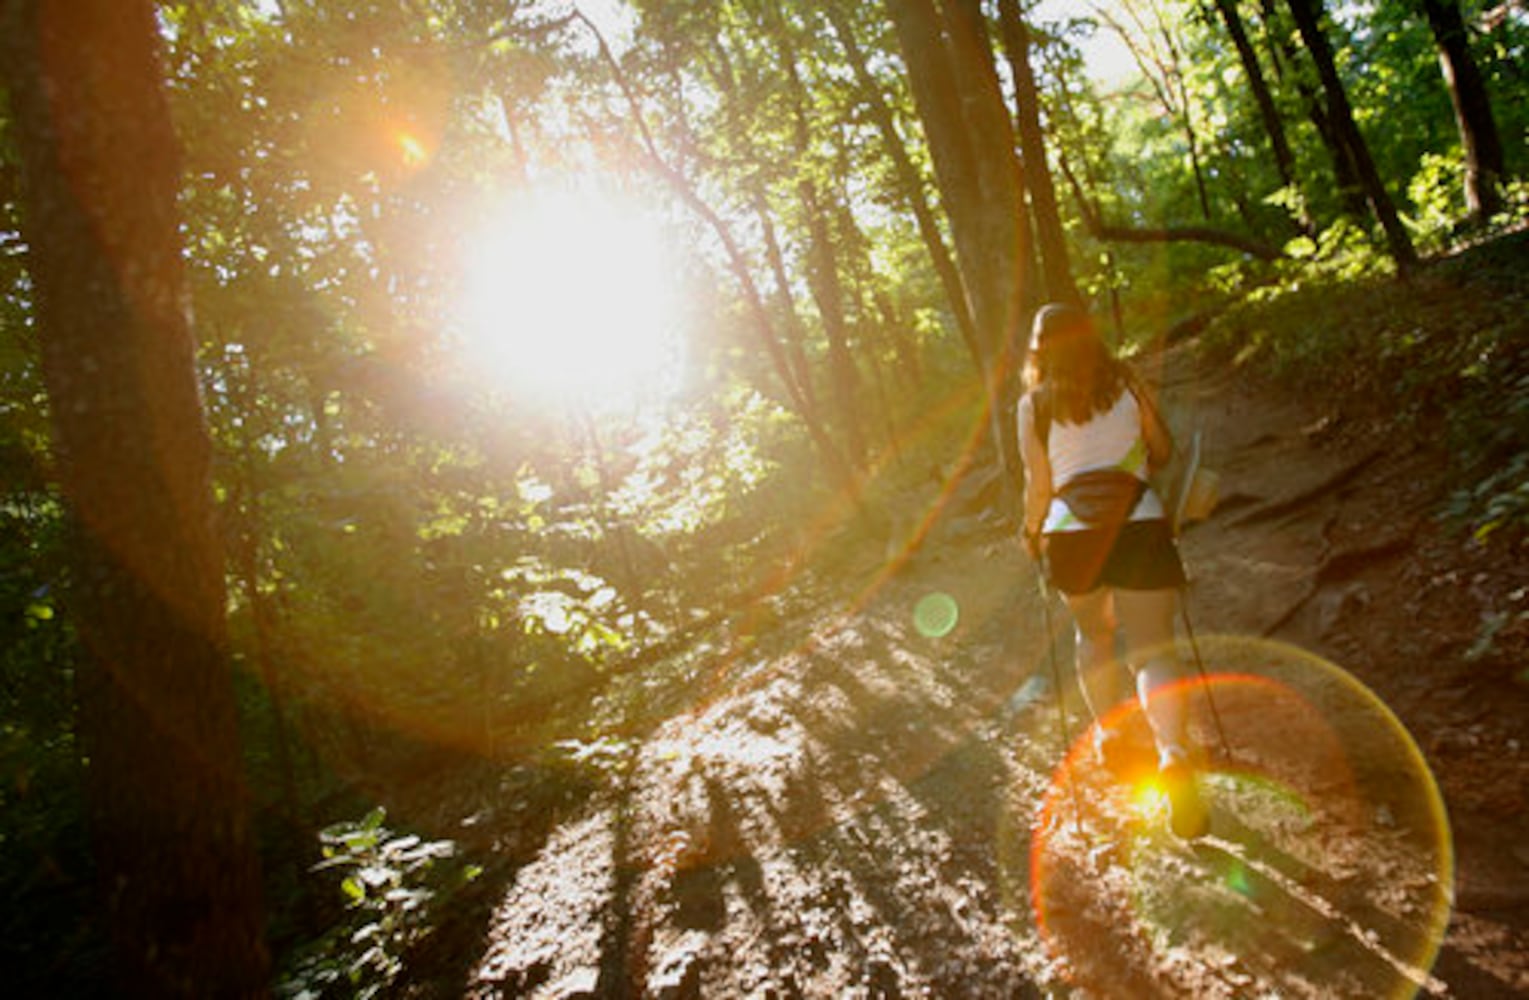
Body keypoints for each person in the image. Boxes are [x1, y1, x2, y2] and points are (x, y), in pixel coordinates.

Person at [1016, 302, 1208, 839]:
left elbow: (1038, 485)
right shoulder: (1127, 381)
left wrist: (1030, 533)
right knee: (1154, 648)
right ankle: (1172, 752)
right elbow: (1163, 450)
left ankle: (1113, 737)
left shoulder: (1033, 406)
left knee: (1093, 637)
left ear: (1039, 349)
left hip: (1072, 535)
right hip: (1139, 525)